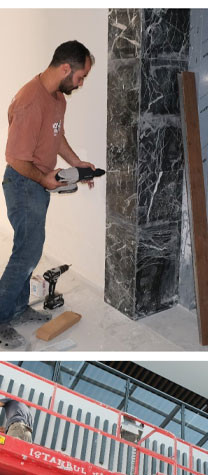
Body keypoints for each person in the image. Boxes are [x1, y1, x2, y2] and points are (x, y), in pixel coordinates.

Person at [2, 41, 99, 349]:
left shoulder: (57, 97)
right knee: (27, 253)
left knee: (29, 247)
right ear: (65, 68)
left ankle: (16, 308)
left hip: (37, 184)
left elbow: (57, 137)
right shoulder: (31, 100)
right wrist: (44, 178)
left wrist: (77, 164)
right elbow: (15, 158)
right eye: (81, 77)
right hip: (22, 183)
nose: (81, 84)